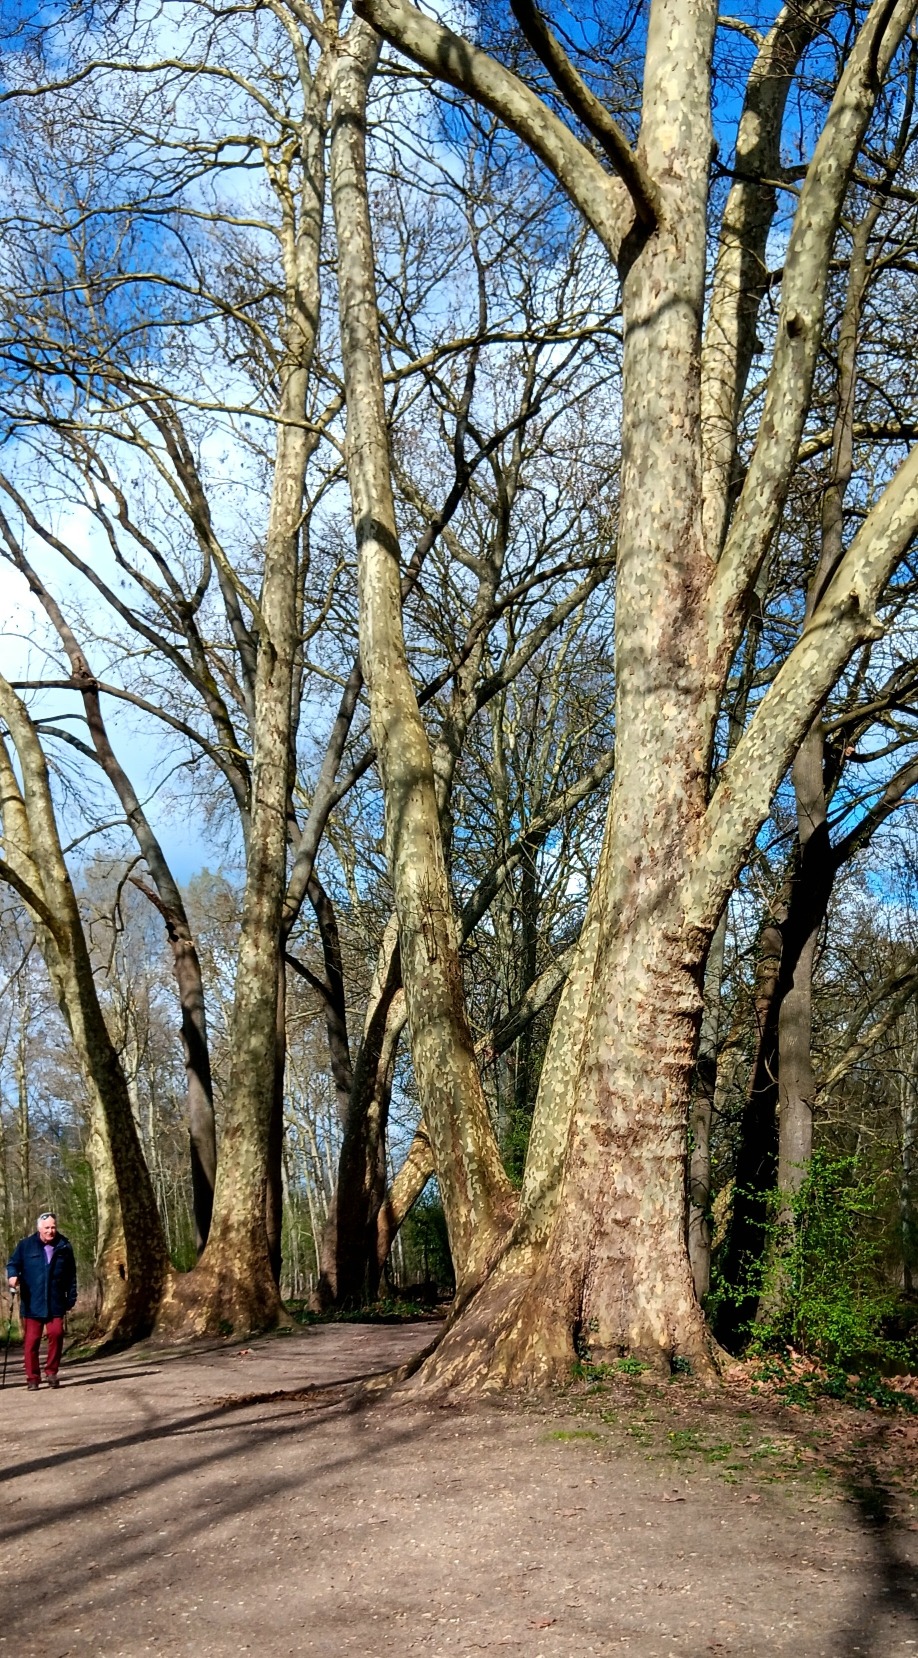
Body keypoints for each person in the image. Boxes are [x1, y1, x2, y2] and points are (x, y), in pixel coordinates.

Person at [6, 1212, 77, 1390]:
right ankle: (32, 1378)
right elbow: (13, 1263)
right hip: (33, 1301)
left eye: (53, 1227)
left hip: (56, 1300)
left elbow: (71, 1275)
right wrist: (12, 1276)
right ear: (39, 1228)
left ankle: (51, 1372)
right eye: (47, 1228)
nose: (50, 1231)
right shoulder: (26, 1245)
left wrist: (71, 1297)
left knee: (57, 1334)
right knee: (32, 1341)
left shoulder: (64, 1245)